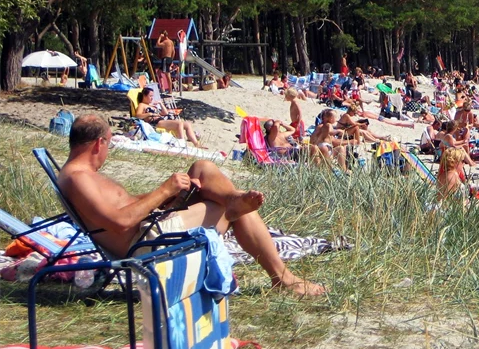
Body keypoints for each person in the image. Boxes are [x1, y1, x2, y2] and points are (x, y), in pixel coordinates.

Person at [59, 115, 324, 295]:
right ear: (98, 144)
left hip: (150, 226)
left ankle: (232, 200)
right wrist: (165, 189)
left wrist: (163, 198)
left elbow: (123, 208)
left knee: (203, 168)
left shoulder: (82, 177)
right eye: (109, 143)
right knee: (227, 210)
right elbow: (119, 222)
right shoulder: (79, 179)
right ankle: (282, 278)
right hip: (145, 244)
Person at [135, 88, 202, 148]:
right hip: (155, 123)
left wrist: (160, 103)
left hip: (162, 119)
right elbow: (137, 115)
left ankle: (196, 144)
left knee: (187, 124)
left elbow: (165, 113)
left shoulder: (151, 105)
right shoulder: (142, 105)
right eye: (150, 96)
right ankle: (181, 144)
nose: (152, 98)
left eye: (152, 96)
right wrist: (149, 114)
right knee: (179, 123)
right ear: (144, 96)